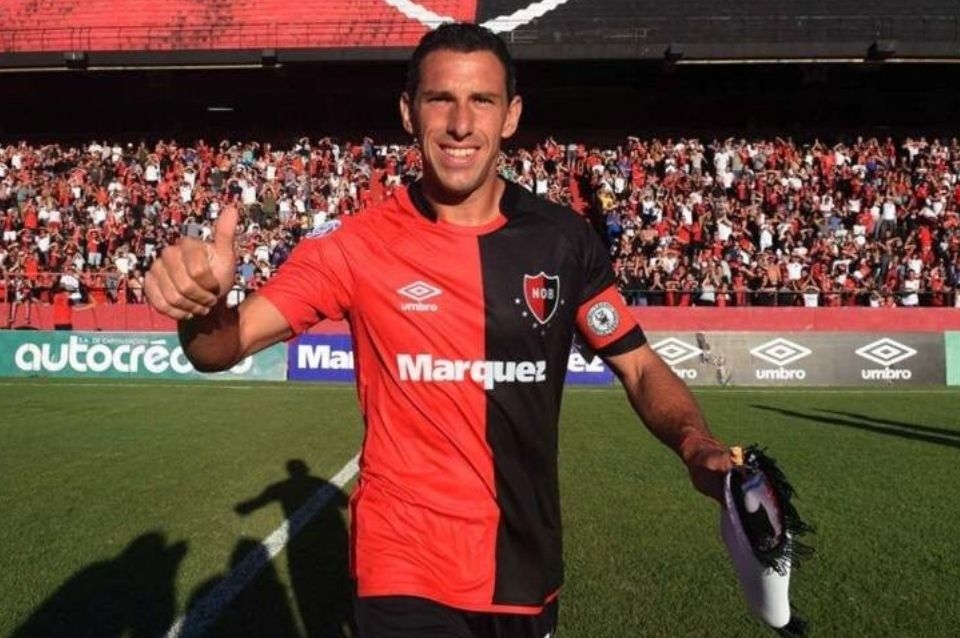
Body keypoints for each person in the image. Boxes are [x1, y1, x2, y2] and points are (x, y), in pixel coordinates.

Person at [144, 22, 731, 638]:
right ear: (408, 111)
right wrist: (200, 307)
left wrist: (695, 443)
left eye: (483, 100)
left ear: (511, 115)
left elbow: (637, 364)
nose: (460, 123)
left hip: (522, 565)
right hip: (402, 566)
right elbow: (224, 346)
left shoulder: (563, 241)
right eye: (440, 99)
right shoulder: (354, 245)